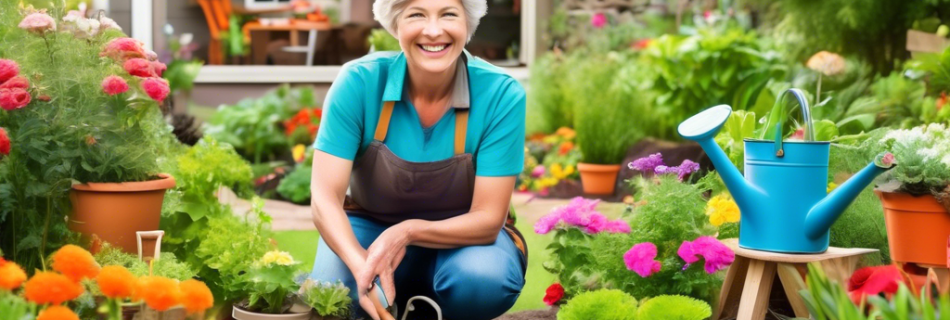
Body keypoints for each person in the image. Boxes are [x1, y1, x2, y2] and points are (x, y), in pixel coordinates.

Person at [307, 0, 527, 319]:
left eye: (449, 14)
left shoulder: (500, 94)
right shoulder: (359, 82)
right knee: (336, 290)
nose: (434, 30)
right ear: (396, 25)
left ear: (467, 23)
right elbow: (325, 198)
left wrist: (406, 231)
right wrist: (362, 269)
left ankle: (434, 304)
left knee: (481, 281)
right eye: (416, 15)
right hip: (369, 224)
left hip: (464, 238)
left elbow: (489, 218)